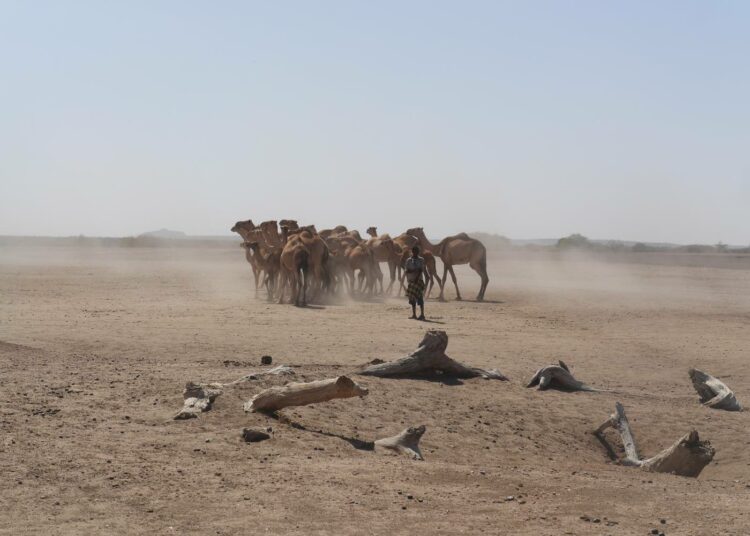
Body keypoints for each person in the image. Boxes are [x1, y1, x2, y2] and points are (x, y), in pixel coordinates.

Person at [404, 245, 429, 320]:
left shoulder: (421, 260)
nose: (415, 253)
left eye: (417, 251)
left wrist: (416, 277)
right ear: (412, 252)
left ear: (418, 252)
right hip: (411, 281)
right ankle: (414, 314)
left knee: (420, 298)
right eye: (414, 251)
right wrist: (414, 271)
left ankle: (422, 314)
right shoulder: (408, 260)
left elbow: (421, 270)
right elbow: (406, 270)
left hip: (418, 281)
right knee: (412, 298)